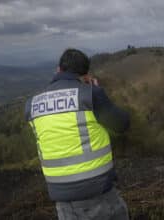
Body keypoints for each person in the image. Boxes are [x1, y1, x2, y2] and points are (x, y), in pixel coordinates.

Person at [24, 48, 130, 220]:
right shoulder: (91, 94)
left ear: (58, 69)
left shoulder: (31, 105)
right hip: (98, 192)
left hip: (62, 198)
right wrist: (98, 93)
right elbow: (122, 124)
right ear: (86, 75)